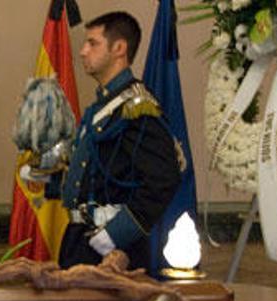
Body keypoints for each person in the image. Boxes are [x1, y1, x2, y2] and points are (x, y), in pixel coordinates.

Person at [48, 12, 181, 273]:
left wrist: (115, 234)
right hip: (81, 239)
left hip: (113, 248)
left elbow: (164, 178)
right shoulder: (103, 106)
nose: (83, 52)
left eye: (93, 43)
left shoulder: (137, 107)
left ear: (119, 48)